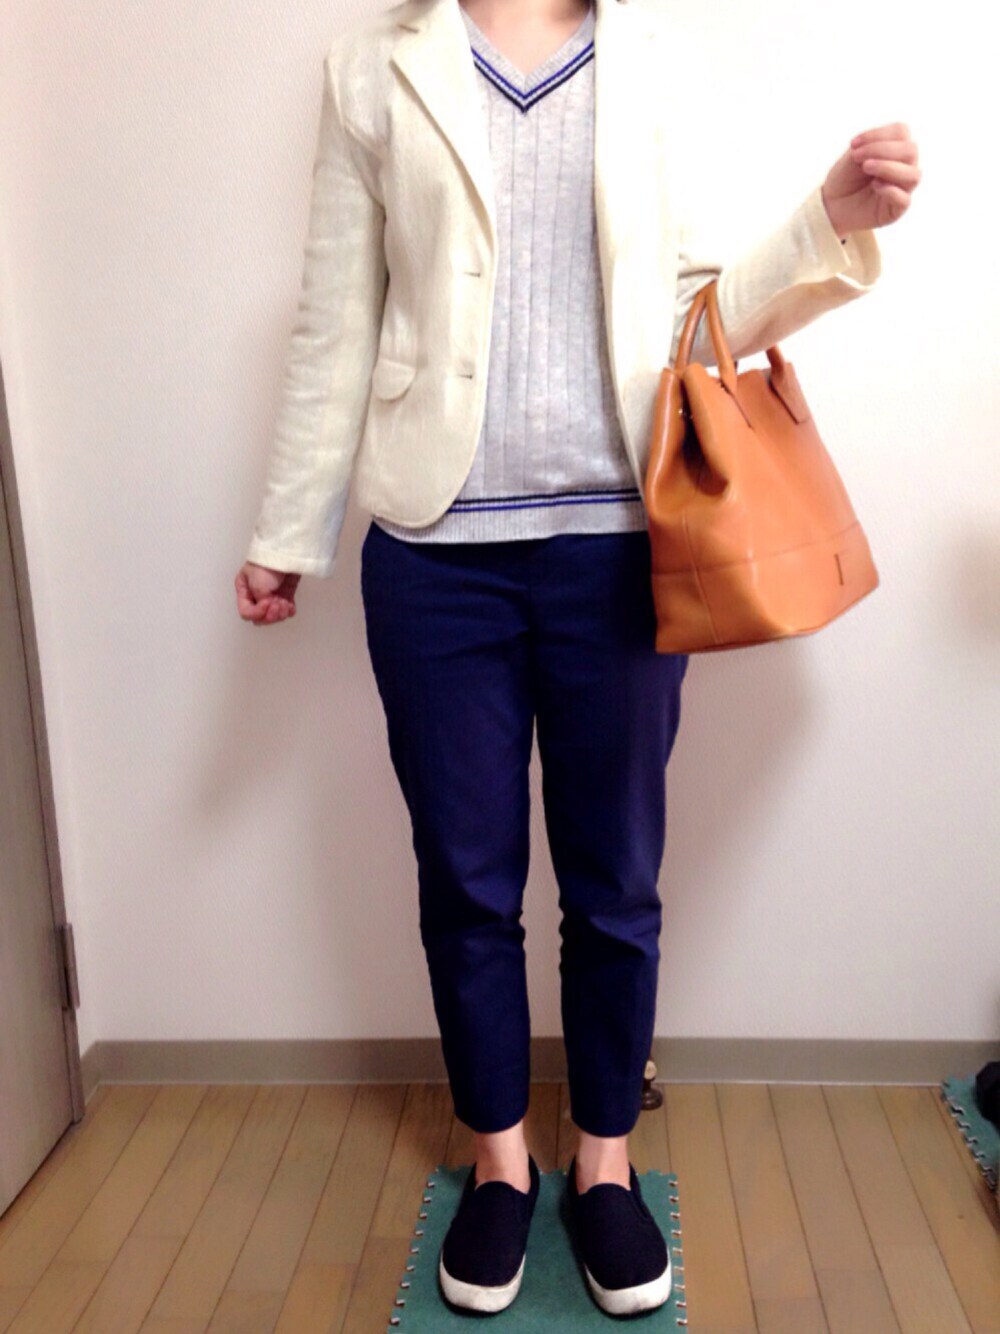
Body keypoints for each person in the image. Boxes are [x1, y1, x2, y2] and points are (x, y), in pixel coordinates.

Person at [234, 0, 919, 1315]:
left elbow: (699, 311)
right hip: (435, 558)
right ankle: (501, 1163)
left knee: (615, 879)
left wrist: (828, 218)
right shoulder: (372, 69)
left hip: (619, 550)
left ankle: (604, 1161)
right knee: (466, 878)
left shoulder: (647, 59)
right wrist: (286, 533)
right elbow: (335, 317)